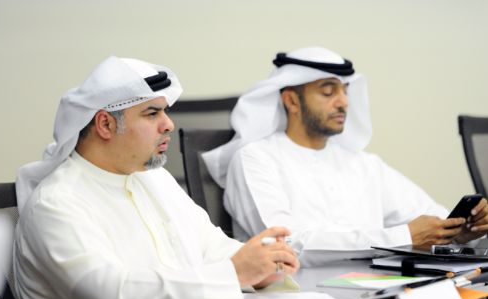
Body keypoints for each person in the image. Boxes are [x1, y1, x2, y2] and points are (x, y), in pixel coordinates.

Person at [13, 56, 299, 299]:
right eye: (152, 114)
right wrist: (234, 274)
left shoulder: (154, 179)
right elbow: (109, 294)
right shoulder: (56, 202)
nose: (169, 124)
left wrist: (263, 265)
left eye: (165, 112)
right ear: (105, 124)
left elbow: (212, 247)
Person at [202, 47, 488, 263]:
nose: (343, 102)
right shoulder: (255, 158)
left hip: (377, 290)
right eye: (328, 92)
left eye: (345, 91)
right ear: (291, 101)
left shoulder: (363, 164)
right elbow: (286, 244)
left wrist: (460, 231)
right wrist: (404, 237)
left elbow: (429, 216)